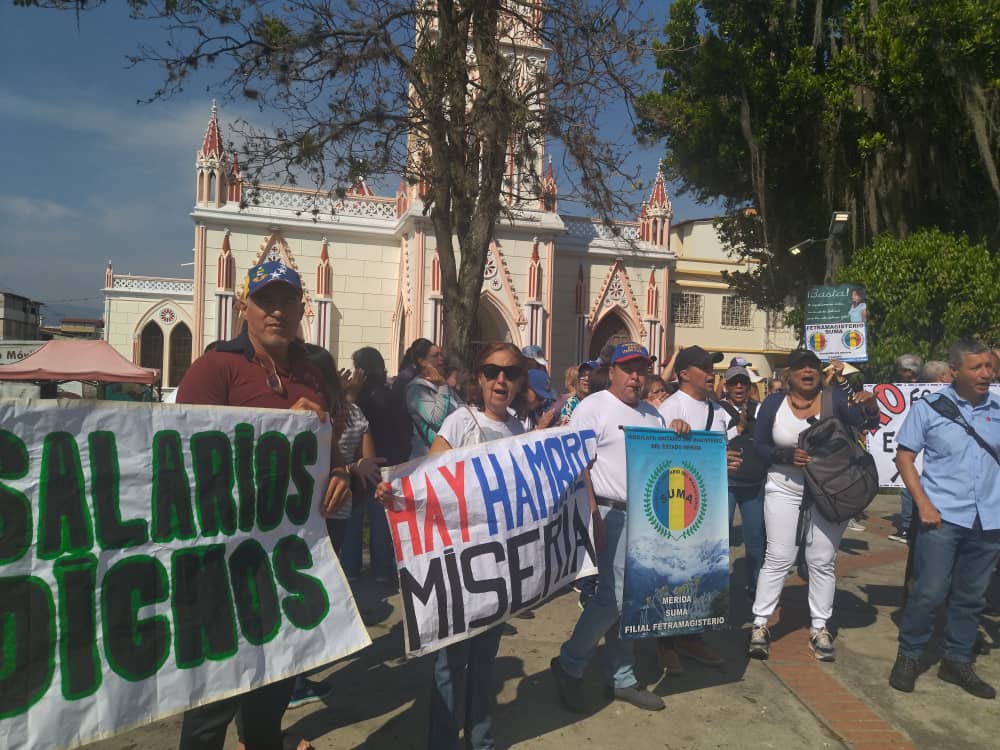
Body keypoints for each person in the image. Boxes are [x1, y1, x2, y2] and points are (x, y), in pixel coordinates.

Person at [174, 260, 351, 750]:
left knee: (270, 697)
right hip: (224, 565)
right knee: (212, 706)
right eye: (264, 301)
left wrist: (337, 471)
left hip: (288, 564)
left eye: (286, 301)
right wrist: (273, 426)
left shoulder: (314, 375)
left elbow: (327, 448)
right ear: (243, 307)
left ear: (302, 308)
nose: (276, 311)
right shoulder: (215, 367)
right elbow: (188, 461)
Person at [391, 343, 527, 749]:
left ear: (520, 382)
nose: (500, 380)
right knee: (451, 663)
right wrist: (395, 493)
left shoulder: (520, 430)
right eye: (491, 371)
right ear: (480, 379)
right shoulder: (458, 422)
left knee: (484, 661)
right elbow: (426, 480)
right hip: (458, 564)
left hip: (497, 565)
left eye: (510, 373)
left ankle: (481, 740)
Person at [550, 342, 668, 712]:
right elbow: (577, 464)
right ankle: (570, 663)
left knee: (630, 601)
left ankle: (622, 677)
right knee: (613, 598)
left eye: (642, 369)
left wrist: (679, 431)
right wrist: (591, 515)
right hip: (608, 512)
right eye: (628, 369)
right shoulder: (593, 407)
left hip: (646, 515)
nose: (636, 376)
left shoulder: (653, 415)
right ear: (613, 372)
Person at [747, 349, 879, 663]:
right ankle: (760, 623)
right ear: (788, 374)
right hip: (784, 486)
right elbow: (760, 445)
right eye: (800, 367)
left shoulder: (834, 399)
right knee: (778, 556)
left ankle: (820, 626)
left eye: (813, 366)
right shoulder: (773, 404)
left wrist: (869, 405)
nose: (808, 371)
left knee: (822, 559)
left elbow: (864, 422)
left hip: (831, 489)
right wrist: (784, 456)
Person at [889, 339, 1000, 699]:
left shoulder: (999, 408)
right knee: (929, 593)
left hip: (990, 519)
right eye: (978, 367)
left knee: (971, 597)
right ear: (955, 371)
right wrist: (922, 503)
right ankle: (910, 654)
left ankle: (957, 661)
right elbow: (904, 457)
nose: (987, 373)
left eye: (989, 366)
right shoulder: (929, 408)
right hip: (942, 517)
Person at [656, 345, 729, 674]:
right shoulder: (668, 409)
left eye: (710, 366)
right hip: (676, 503)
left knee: (701, 569)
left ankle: (692, 635)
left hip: (710, 501)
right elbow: (658, 456)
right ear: (684, 374)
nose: (709, 371)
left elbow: (722, 452)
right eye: (702, 366)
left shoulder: (719, 409)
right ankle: (665, 643)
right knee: (673, 572)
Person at [340, 346, 396, 582]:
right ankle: (383, 570)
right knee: (381, 517)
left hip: (359, 463)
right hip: (388, 463)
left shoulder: (359, 397)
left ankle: (350, 568)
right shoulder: (392, 394)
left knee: (353, 516)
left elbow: (348, 427)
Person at [718, 365, 767, 601]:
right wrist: (737, 429)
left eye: (743, 383)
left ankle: (755, 586)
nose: (739, 386)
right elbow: (712, 441)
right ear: (726, 386)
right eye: (734, 383)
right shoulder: (716, 409)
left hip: (754, 484)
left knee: (755, 539)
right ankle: (717, 587)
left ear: (749, 386)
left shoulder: (760, 410)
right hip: (726, 484)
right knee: (720, 537)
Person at [406, 339, 459, 458]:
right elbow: (437, 419)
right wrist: (443, 387)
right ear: (422, 362)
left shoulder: (441, 384)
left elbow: (461, 408)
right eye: (435, 356)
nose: (441, 359)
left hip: (450, 456)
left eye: (441, 354)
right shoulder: (416, 390)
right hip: (428, 461)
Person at [559, 360, 597, 424]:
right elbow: (565, 428)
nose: (586, 379)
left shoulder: (601, 401)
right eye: (582, 375)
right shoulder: (571, 402)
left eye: (590, 375)